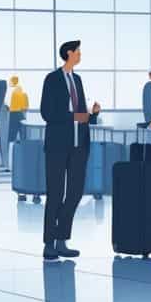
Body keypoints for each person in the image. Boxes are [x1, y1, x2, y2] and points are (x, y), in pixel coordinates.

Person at [40, 40, 100, 261]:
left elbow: (80, 114)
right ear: (68, 53)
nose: (80, 54)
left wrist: (90, 115)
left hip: (78, 146)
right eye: (77, 51)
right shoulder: (52, 79)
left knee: (75, 193)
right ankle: (49, 243)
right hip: (57, 146)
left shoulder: (77, 80)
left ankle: (62, 238)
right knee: (55, 194)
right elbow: (47, 112)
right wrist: (74, 117)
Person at [5, 74, 29, 162]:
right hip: (20, 116)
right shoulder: (23, 94)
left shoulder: (11, 93)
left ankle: (7, 159)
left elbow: (7, 106)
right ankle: (23, 157)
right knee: (22, 138)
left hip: (12, 115)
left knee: (10, 138)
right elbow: (25, 109)